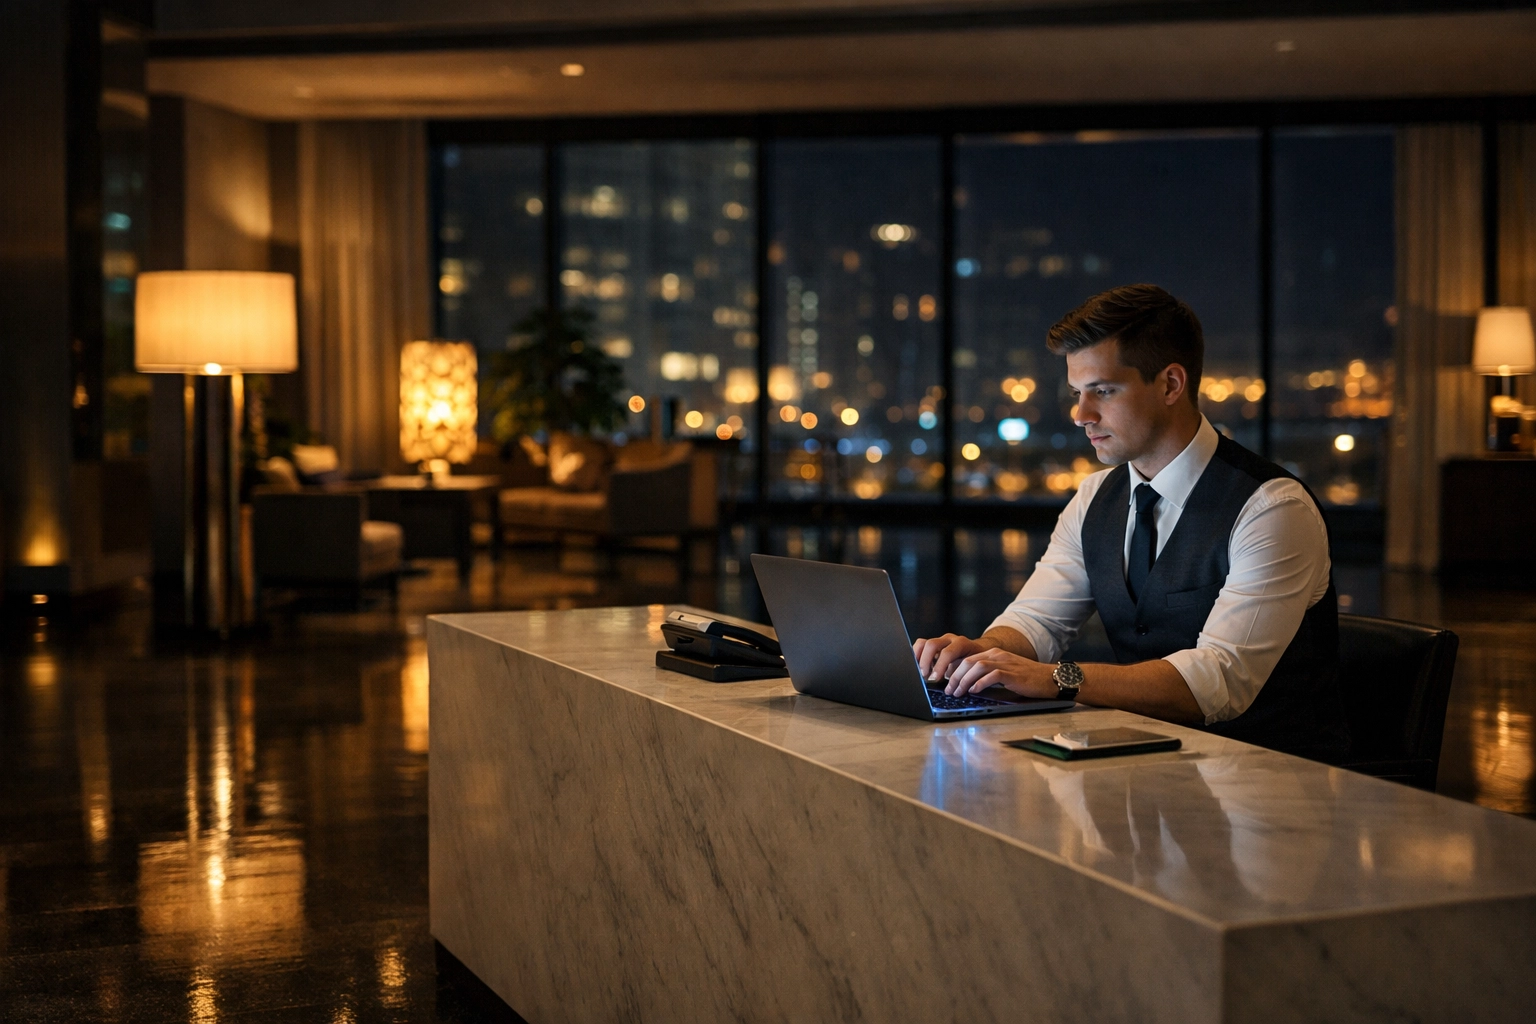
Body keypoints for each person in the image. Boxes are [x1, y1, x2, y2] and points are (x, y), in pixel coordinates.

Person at [913, 284, 1348, 761]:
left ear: (1170, 384)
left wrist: (1057, 679)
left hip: (1272, 786)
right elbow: (1037, 622)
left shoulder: (1272, 508)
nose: (1081, 415)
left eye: (1103, 391)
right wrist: (980, 656)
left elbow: (1219, 681)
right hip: (1146, 767)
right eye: (1078, 393)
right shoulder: (1094, 498)